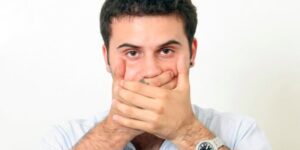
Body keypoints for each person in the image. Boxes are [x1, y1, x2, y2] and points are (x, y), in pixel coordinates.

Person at [39, 0, 271, 150]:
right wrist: (117, 129)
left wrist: (186, 131)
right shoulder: (64, 139)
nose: (150, 71)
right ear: (106, 57)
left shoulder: (240, 131)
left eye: (166, 50)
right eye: (132, 53)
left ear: (192, 52)